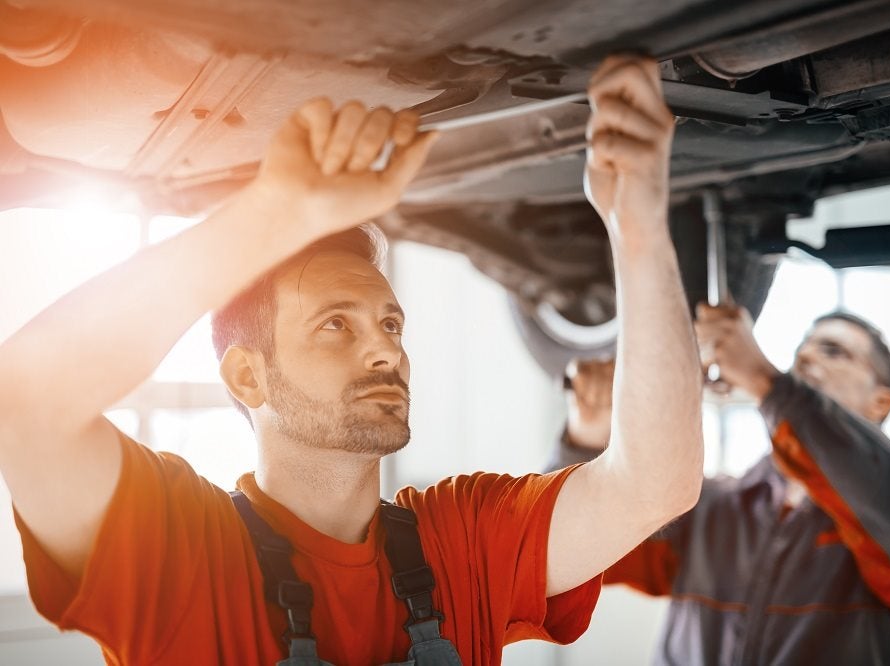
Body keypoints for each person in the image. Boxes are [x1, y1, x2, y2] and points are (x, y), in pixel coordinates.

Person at [0, 55, 704, 664]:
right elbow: (28, 400)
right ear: (247, 376)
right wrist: (276, 212)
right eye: (335, 325)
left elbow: (655, 484)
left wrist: (638, 227)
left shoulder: (463, 538)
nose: (385, 348)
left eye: (391, 323)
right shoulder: (180, 554)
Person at [548, 305, 890, 665]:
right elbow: (569, 549)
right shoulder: (709, 505)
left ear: (881, 402)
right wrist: (588, 431)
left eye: (833, 350)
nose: (804, 357)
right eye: (801, 348)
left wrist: (766, 380)